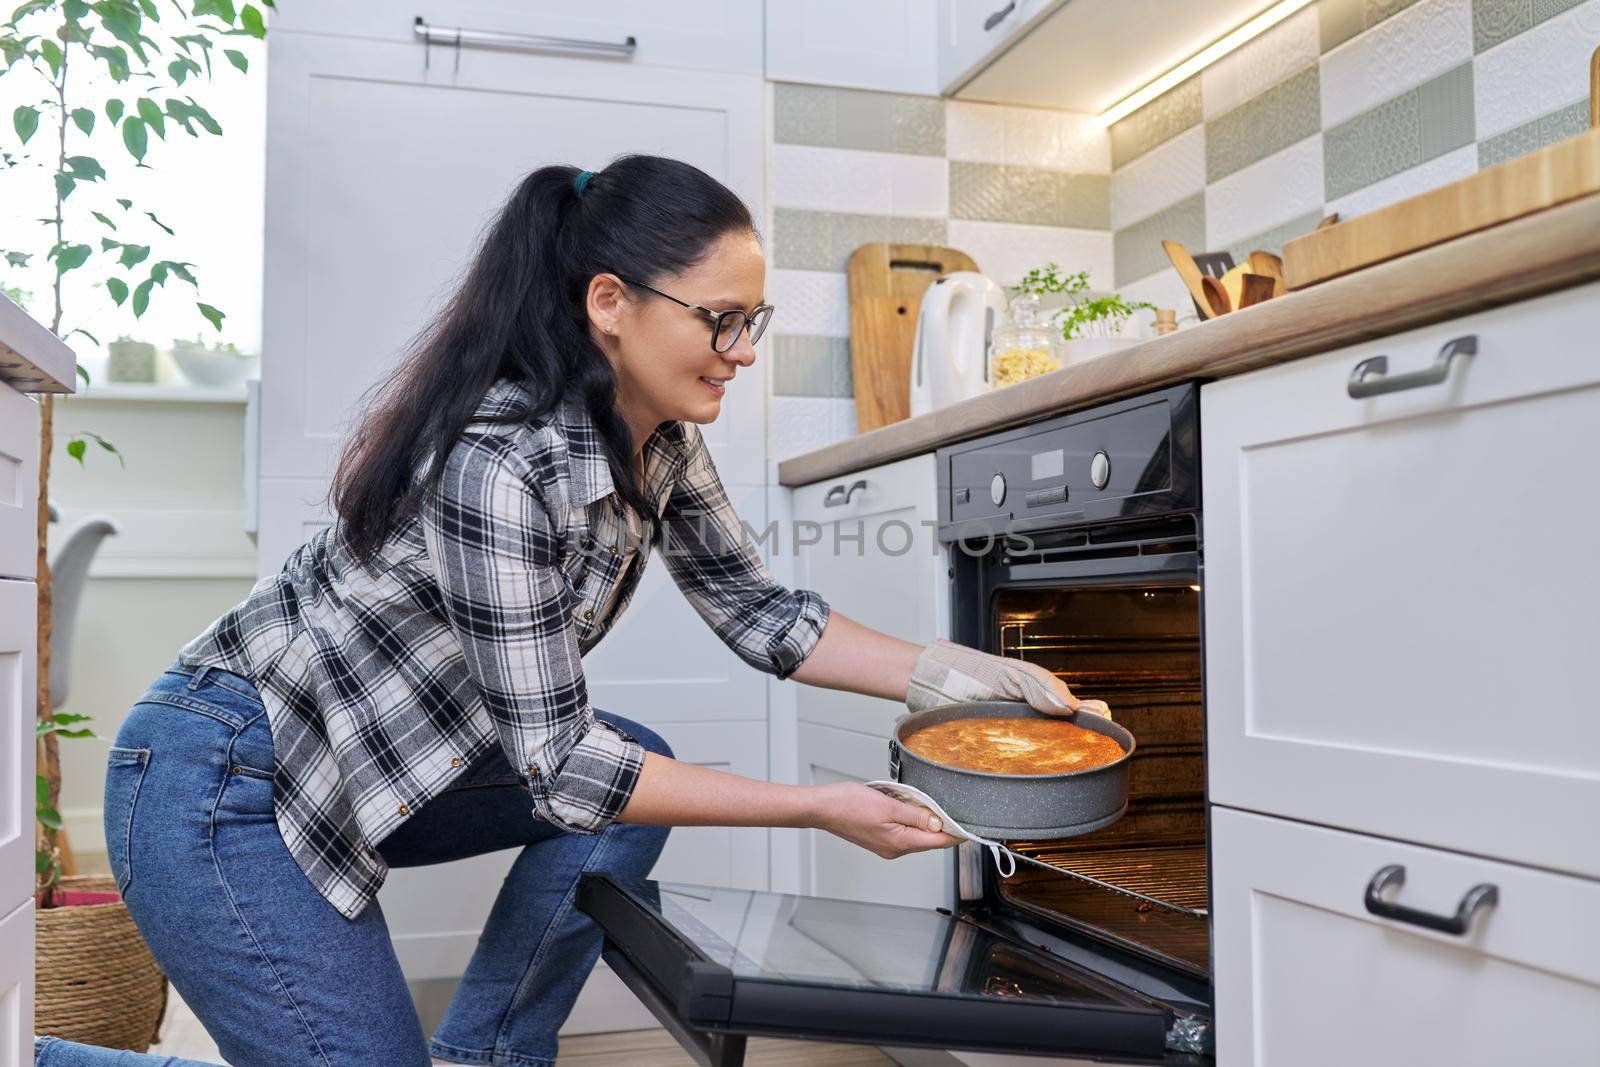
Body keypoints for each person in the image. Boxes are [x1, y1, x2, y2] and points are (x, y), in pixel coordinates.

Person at [36, 156, 1095, 1067]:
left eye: (751, 319)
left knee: (644, 757)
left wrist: (957, 673)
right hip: (220, 774)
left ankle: (487, 1050)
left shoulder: (665, 441)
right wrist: (817, 804)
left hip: (360, 764)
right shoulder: (496, 458)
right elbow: (561, 765)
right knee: (613, 767)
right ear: (609, 302)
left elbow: (760, 611)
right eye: (720, 319)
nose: (742, 348)